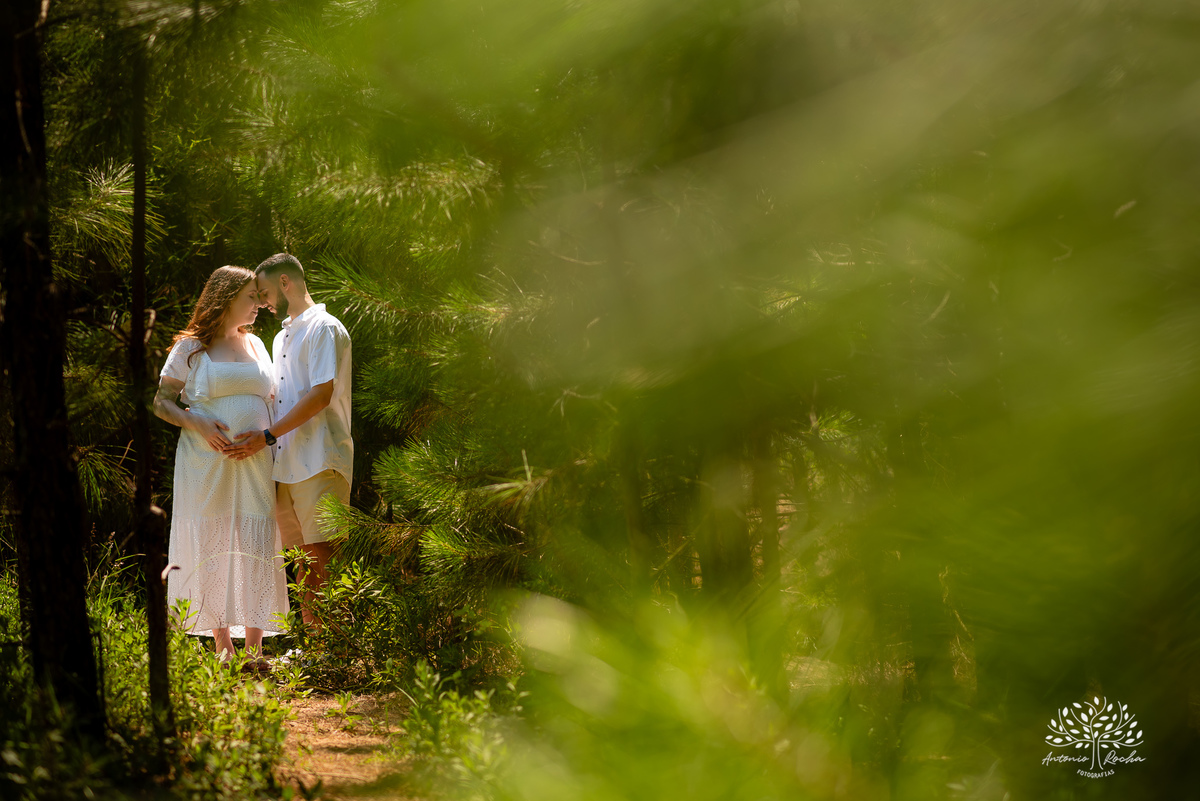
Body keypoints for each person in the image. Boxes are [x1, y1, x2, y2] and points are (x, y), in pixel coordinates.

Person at [154, 266, 289, 667]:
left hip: (255, 459)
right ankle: (223, 646)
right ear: (227, 298)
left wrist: (265, 437)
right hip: (204, 459)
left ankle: (256, 648)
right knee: (211, 539)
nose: (259, 304)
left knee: (256, 541)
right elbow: (160, 401)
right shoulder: (192, 346)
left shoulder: (257, 345)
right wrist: (196, 422)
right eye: (251, 297)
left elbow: (271, 401)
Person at [225, 253, 353, 628]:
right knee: (301, 562)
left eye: (264, 292)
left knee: (323, 556)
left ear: (285, 283)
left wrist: (266, 436)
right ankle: (315, 645)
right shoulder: (281, 337)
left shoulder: (325, 328)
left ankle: (335, 648)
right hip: (285, 466)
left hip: (321, 460)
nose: (262, 302)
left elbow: (321, 394)